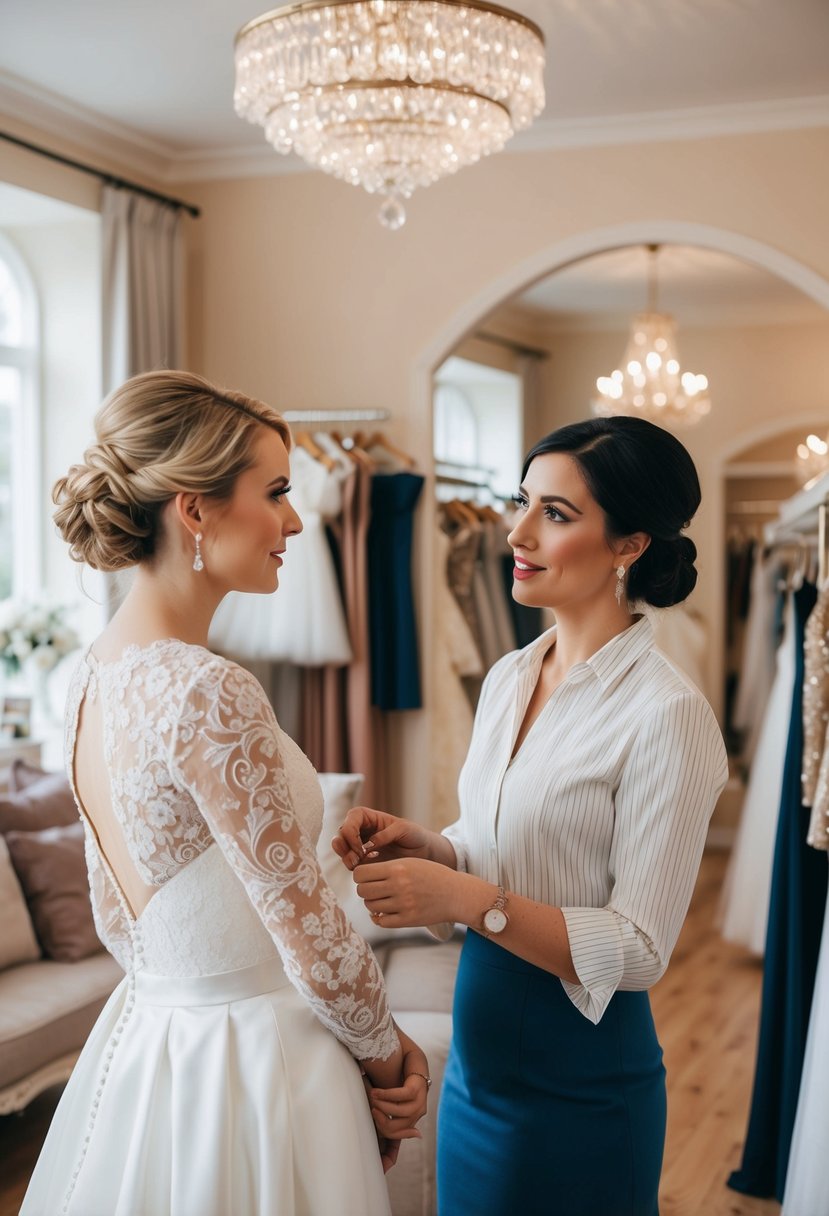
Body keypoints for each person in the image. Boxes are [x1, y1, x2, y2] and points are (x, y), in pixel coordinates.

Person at [22, 370, 428, 1216]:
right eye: (276, 491)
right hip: (257, 1057)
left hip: (154, 1041)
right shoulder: (208, 690)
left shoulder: (89, 677)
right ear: (194, 508)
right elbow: (308, 930)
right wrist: (388, 1058)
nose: (293, 519)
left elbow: (116, 913)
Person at [334, 416, 729, 1216]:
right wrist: (440, 848)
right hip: (478, 1057)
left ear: (629, 545)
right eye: (523, 502)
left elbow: (641, 949)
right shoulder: (510, 675)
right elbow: (499, 844)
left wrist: (466, 900)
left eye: (555, 512)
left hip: (580, 1076)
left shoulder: (667, 715)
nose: (516, 531)